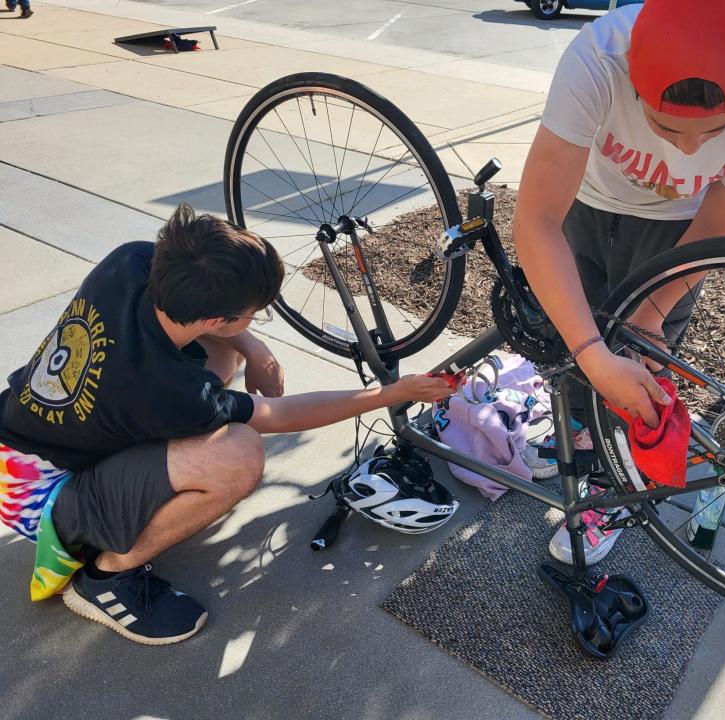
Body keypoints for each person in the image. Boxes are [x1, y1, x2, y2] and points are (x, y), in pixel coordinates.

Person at [0, 203, 454, 645]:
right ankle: (106, 577)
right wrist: (393, 394)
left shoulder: (133, 259)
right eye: (253, 314)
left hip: (26, 428)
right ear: (219, 315)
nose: (252, 322)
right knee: (237, 455)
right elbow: (281, 415)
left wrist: (254, 349)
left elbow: (216, 330)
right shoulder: (166, 391)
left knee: (222, 351)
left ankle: (133, 495)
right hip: (35, 491)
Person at [512, 0, 725, 565]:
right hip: (586, 201)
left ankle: (618, 485)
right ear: (634, 85)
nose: (686, 149)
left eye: (716, 131)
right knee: (572, 333)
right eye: (664, 126)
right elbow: (536, 220)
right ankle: (578, 428)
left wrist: (651, 313)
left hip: (678, 226)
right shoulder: (598, 57)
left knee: (646, 360)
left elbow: (715, 226)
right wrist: (593, 355)